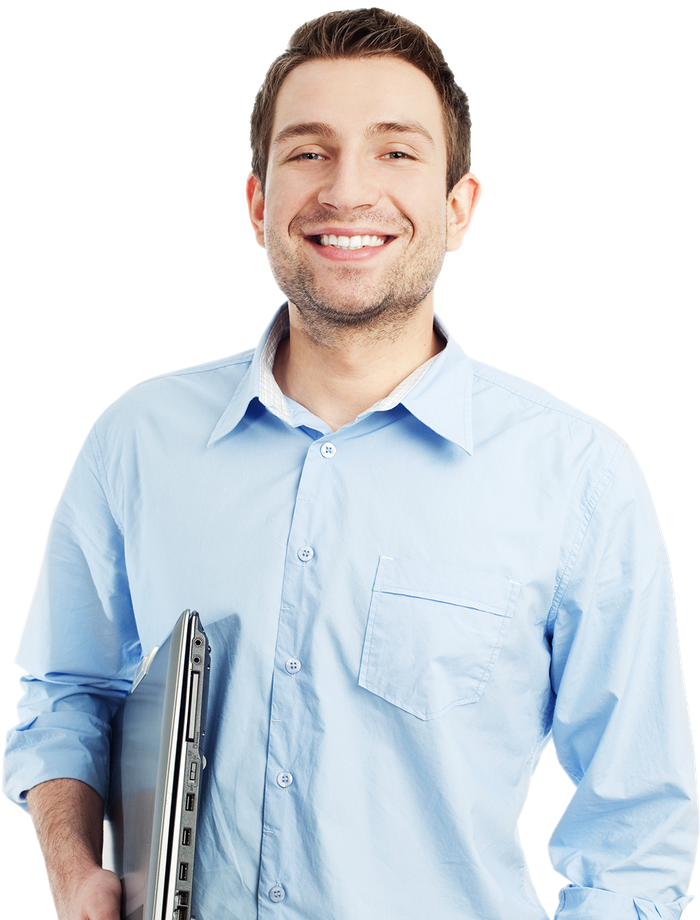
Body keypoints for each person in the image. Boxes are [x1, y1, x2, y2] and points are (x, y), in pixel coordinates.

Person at [2, 8, 698, 919]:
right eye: (309, 152)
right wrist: (72, 868)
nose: (347, 191)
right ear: (257, 205)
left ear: (460, 209)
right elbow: (66, 692)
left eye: (397, 153)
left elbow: (636, 835)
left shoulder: (578, 475)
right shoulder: (137, 438)